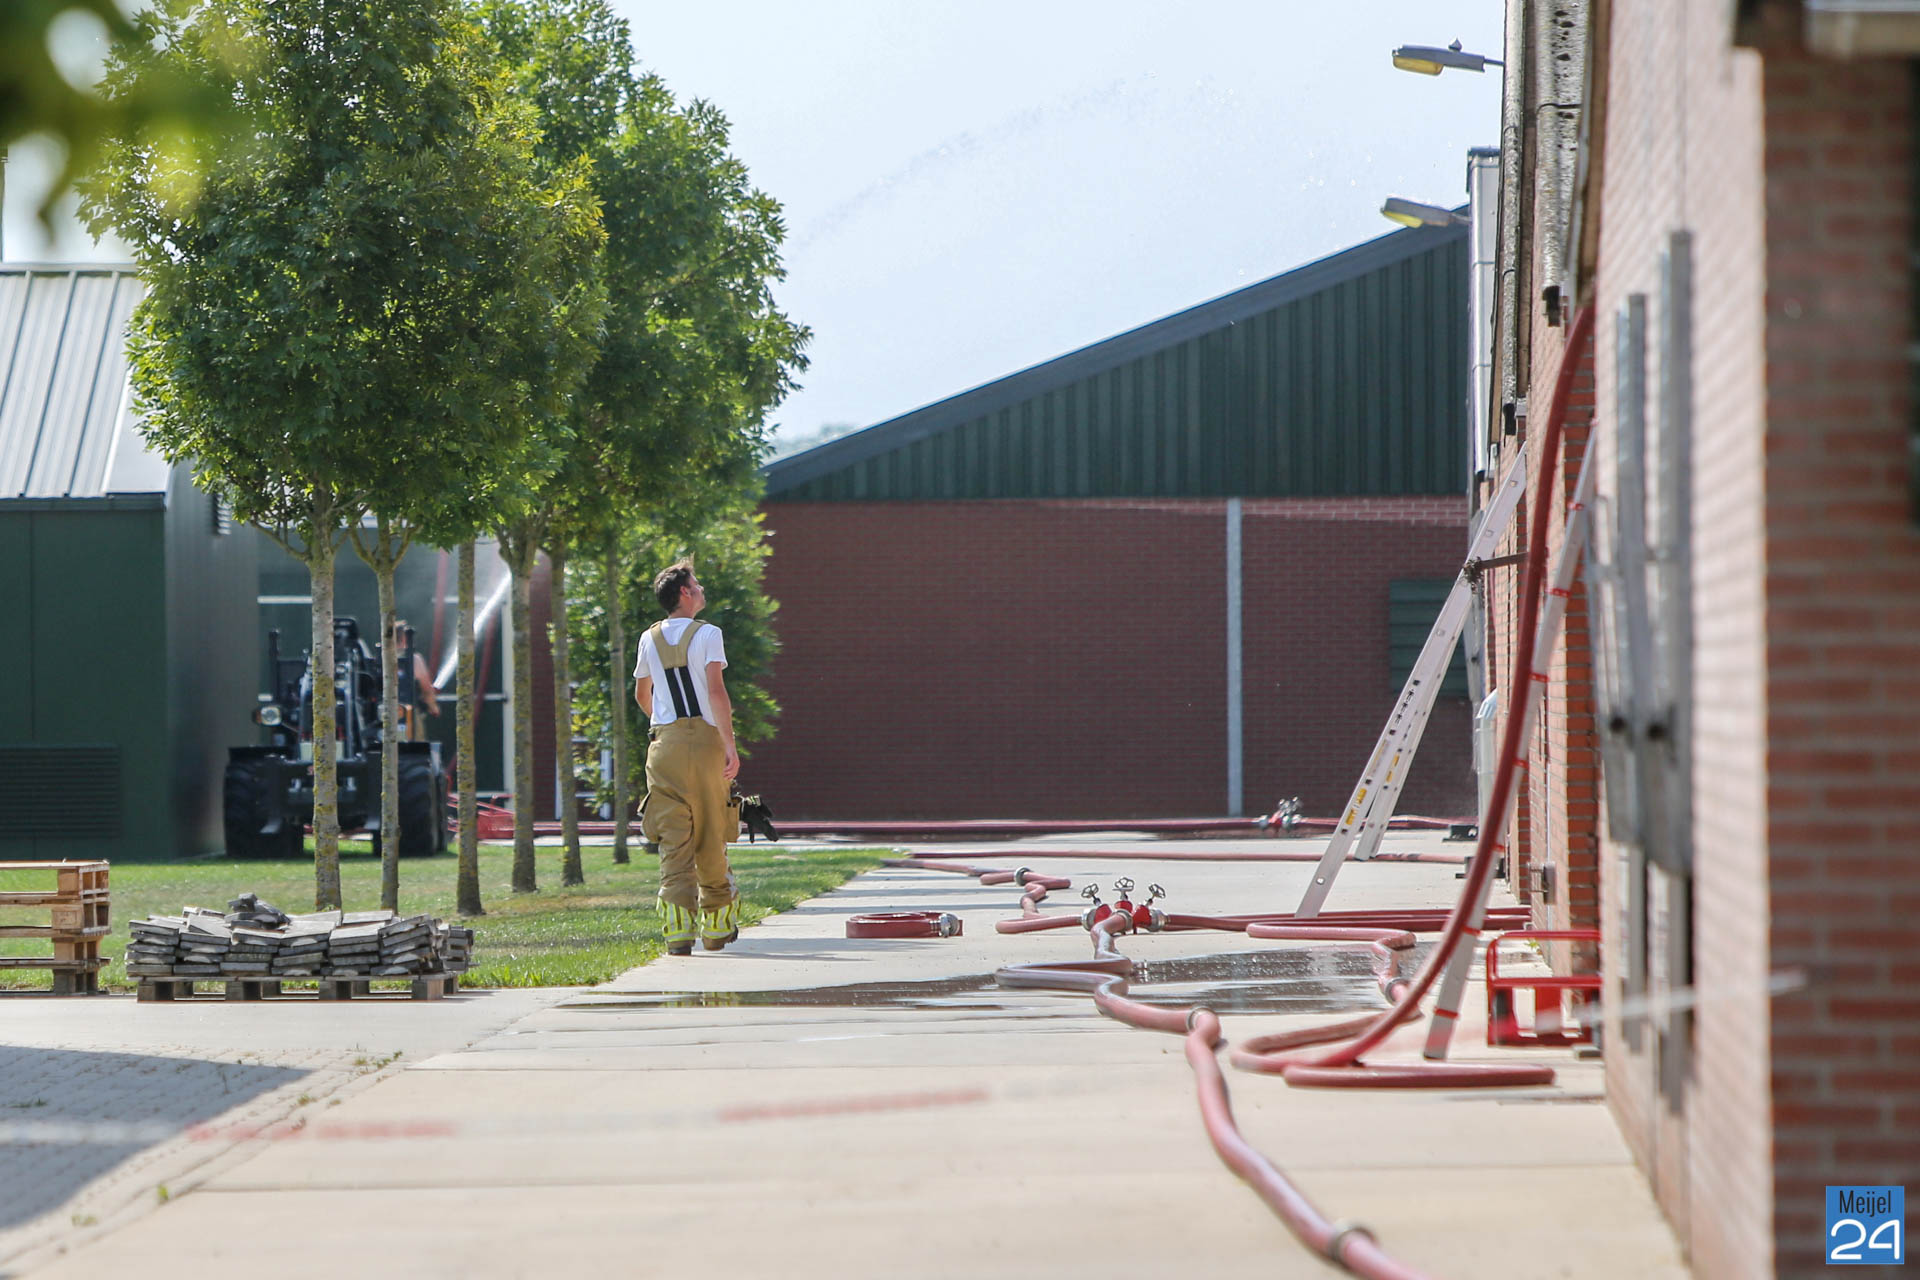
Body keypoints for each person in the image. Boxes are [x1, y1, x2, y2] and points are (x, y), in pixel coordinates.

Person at [632, 561, 741, 955]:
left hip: (664, 747)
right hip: (706, 743)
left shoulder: (648, 638)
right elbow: (716, 691)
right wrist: (729, 744)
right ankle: (716, 928)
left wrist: (666, 726)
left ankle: (678, 933)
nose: (701, 588)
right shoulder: (709, 634)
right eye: (697, 584)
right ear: (684, 593)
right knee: (712, 831)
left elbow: (642, 695)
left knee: (673, 838)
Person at [390, 620, 441, 742]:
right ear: (404, 638)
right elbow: (426, 689)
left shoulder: (381, 659)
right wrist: (433, 707)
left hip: (387, 715)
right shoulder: (414, 659)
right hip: (409, 715)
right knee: (415, 746)